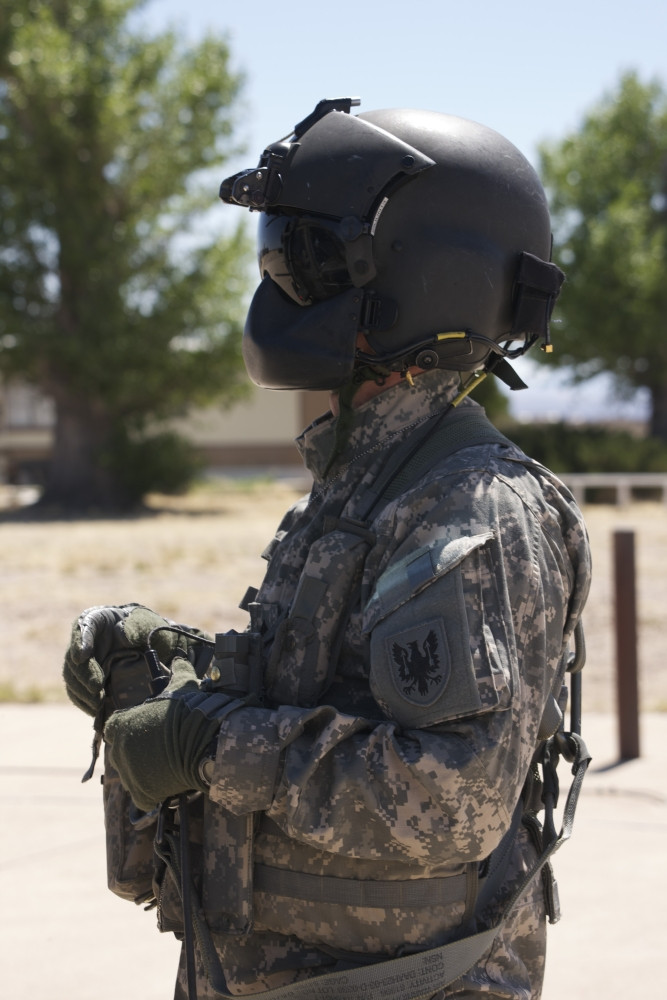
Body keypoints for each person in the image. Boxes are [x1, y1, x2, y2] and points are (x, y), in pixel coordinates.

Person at [63, 99, 591, 1000]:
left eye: (306, 260)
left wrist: (208, 744)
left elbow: (450, 797)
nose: (277, 281)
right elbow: (336, 688)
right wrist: (183, 666)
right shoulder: (368, 475)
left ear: (422, 276)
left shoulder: (472, 506)